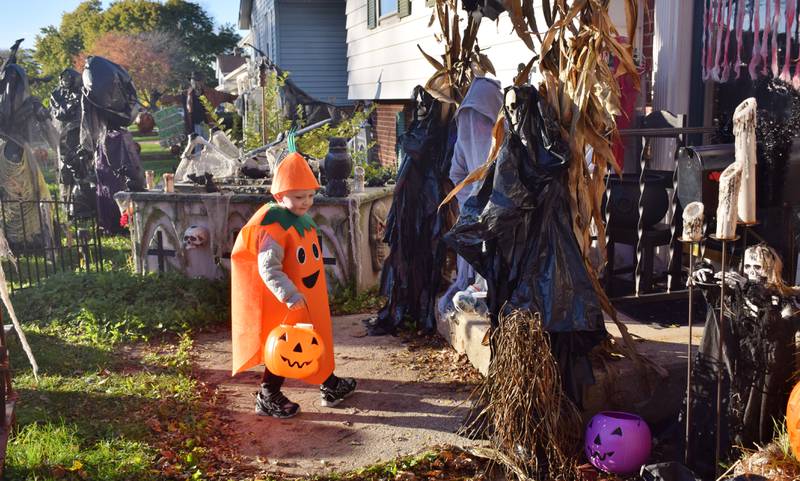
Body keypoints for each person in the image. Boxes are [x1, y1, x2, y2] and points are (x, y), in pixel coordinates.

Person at [230, 145, 356, 418]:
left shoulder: (302, 220)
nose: (306, 202)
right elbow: (269, 268)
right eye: (298, 196)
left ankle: (329, 384)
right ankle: (268, 394)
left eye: (310, 195)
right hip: (289, 302)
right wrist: (289, 294)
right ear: (279, 194)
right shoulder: (274, 227)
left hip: (309, 297)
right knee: (287, 345)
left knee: (317, 337)